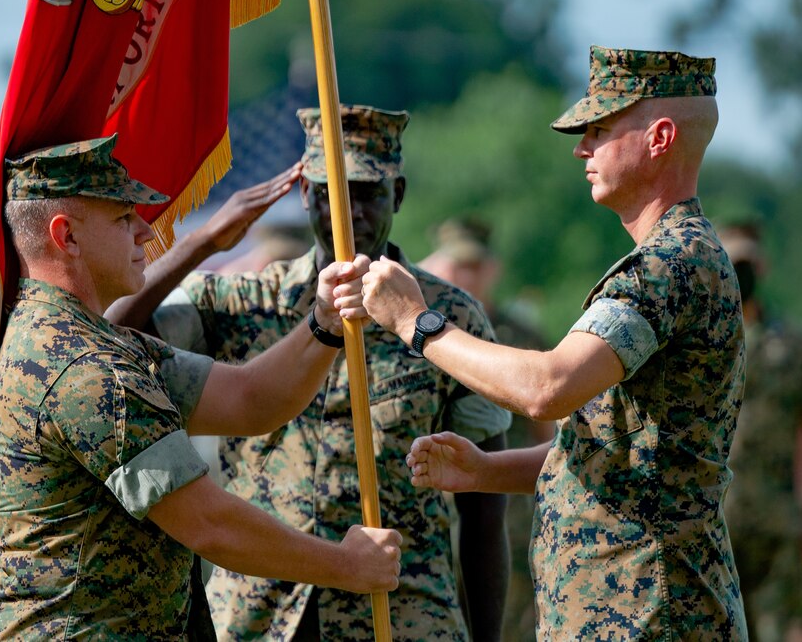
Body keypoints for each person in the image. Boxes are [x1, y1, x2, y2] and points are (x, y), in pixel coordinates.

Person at [350, 47, 748, 640]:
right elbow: (620, 454)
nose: (581, 149)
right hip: (634, 608)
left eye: (600, 130)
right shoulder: (677, 258)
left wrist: (416, 322)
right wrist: (486, 469)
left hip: (650, 612)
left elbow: (547, 389)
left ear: (660, 137)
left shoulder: (670, 265)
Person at [109, 105, 512, 641]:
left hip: (399, 610)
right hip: (260, 610)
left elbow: (485, 501)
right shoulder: (245, 300)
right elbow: (113, 334)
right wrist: (204, 242)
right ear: (305, 196)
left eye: (368, 194)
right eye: (331, 194)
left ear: (400, 193)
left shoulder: (446, 317)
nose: (351, 215)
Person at [0, 136, 401, 640]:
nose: (144, 231)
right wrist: (347, 566)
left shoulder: (89, 342)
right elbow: (208, 524)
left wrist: (325, 322)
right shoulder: (83, 368)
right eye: (122, 218)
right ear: (66, 236)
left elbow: (249, 399)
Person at [418, 216, 552, 640]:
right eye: (458, 266)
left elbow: (545, 430)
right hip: (441, 500)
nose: (466, 275)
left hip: (506, 501)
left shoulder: (519, 334)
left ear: (492, 269)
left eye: (475, 266)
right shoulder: (425, 335)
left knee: (508, 616)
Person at [719, 221, 802, 642]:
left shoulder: (795, 346)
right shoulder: (697, 339)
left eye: (747, 263)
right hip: (712, 522)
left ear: (761, 267)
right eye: (732, 263)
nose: (741, 273)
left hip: (776, 522)